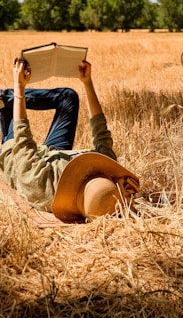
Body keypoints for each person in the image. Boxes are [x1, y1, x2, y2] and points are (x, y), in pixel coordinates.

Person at [0, 57, 140, 223]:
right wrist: (88, 83)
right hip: (55, 154)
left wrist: (19, 87)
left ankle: (4, 99)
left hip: (16, 153)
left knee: (10, 117)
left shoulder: (39, 185)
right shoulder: (106, 173)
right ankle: (5, 98)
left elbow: (22, 137)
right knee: (68, 96)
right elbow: (100, 129)